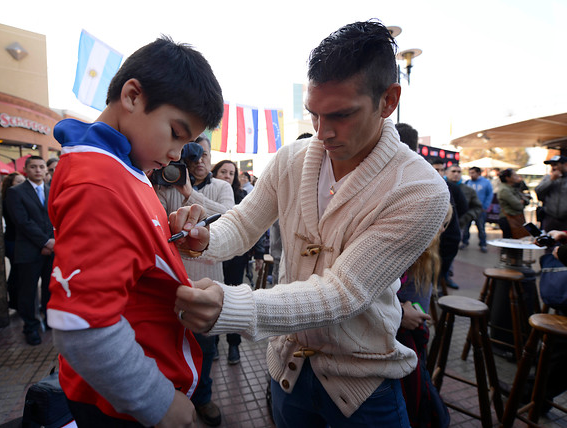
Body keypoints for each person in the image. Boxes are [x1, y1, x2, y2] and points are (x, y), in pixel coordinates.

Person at [172, 21, 449, 427]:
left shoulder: (421, 189)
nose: (323, 132)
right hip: (288, 371)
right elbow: (244, 224)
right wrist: (203, 238)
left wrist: (232, 306)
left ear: (388, 100)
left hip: (363, 386)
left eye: (342, 114)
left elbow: (342, 294)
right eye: (314, 115)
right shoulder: (292, 158)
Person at [46, 36, 224, 427]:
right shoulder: (99, 181)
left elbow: (128, 259)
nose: (178, 154)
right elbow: (83, 327)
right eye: (176, 133)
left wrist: (167, 235)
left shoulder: (124, 166)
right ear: (132, 96)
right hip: (120, 404)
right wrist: (156, 401)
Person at [156, 135, 234, 427]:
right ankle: (173, 399)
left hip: (210, 282)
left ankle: (203, 398)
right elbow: (158, 229)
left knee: (205, 349)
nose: (199, 161)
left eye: (204, 155)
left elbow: (228, 219)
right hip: (175, 283)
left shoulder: (222, 187)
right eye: (192, 156)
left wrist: (189, 192)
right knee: (168, 346)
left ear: (211, 156)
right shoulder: (166, 187)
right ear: (182, 159)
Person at [397, 204, 452, 428]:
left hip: (409, 338)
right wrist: (399, 312)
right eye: (438, 222)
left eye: (444, 224)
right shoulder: (402, 249)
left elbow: (420, 306)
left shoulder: (428, 253)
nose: (441, 229)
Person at [210, 159, 266, 365]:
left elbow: (257, 227)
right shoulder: (206, 192)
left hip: (236, 258)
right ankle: (213, 342)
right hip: (212, 258)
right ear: (214, 173)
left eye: (231, 173)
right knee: (213, 294)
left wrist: (259, 254)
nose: (227, 176)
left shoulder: (242, 197)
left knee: (231, 297)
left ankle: (234, 345)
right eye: (223, 171)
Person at [5, 156, 54, 346]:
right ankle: (31, 328)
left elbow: (54, 219)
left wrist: (51, 243)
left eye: (41, 167)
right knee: (28, 292)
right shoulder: (15, 192)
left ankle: (50, 321)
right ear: (26, 169)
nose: (38, 170)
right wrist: (45, 242)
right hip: (29, 250)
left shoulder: (51, 191)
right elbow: (22, 222)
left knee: (50, 288)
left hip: (51, 250)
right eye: (33, 167)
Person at [430, 158, 466, 290]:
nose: (438, 172)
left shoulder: (453, 188)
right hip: (432, 239)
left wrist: (451, 222)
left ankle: (443, 282)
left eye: (441, 170)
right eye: (435, 169)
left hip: (450, 236)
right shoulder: (425, 187)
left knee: (444, 266)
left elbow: (463, 207)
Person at [1, 172, 26, 310]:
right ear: (11, 184)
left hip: (16, 240)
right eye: (19, 181)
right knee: (16, 272)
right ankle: (15, 301)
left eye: (24, 181)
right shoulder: (8, 201)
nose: (23, 184)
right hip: (13, 241)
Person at [446, 165, 484, 250]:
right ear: (447, 173)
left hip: (459, 226)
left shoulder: (468, 190)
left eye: (459, 172)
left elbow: (477, 207)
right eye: (453, 171)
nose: (456, 174)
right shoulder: (440, 187)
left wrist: (466, 217)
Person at [463, 166, 493, 252]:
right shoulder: (467, 182)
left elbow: (489, 195)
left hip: (480, 210)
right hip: (468, 210)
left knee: (481, 228)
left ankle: (483, 244)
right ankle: (464, 242)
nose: (471, 175)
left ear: (478, 173)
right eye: (470, 173)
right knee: (466, 227)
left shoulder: (486, 182)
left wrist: (485, 206)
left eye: (473, 173)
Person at [535, 155, 567, 232]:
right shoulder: (548, 178)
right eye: (552, 165)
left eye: (555, 165)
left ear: (565, 164)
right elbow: (538, 192)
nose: (553, 168)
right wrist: (551, 180)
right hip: (550, 218)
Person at [497, 168, 530, 238]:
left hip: (515, 219)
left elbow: (526, 200)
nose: (517, 177)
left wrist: (523, 202)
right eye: (514, 175)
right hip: (509, 220)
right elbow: (518, 206)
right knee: (510, 243)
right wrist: (522, 202)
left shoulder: (512, 187)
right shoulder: (504, 190)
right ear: (508, 178)